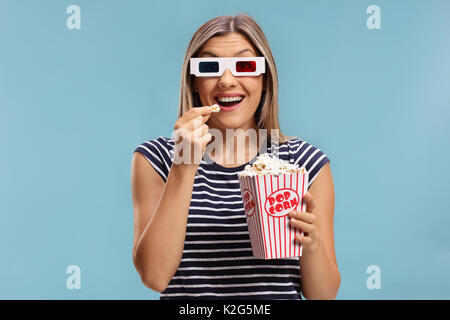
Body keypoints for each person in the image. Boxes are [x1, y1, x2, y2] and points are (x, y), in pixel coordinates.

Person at [131, 14, 340, 300]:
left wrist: (312, 245)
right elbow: (154, 276)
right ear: (194, 82)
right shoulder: (155, 159)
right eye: (209, 66)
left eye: (244, 66)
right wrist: (183, 166)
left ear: (264, 80)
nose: (227, 80)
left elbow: (324, 295)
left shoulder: (305, 163)